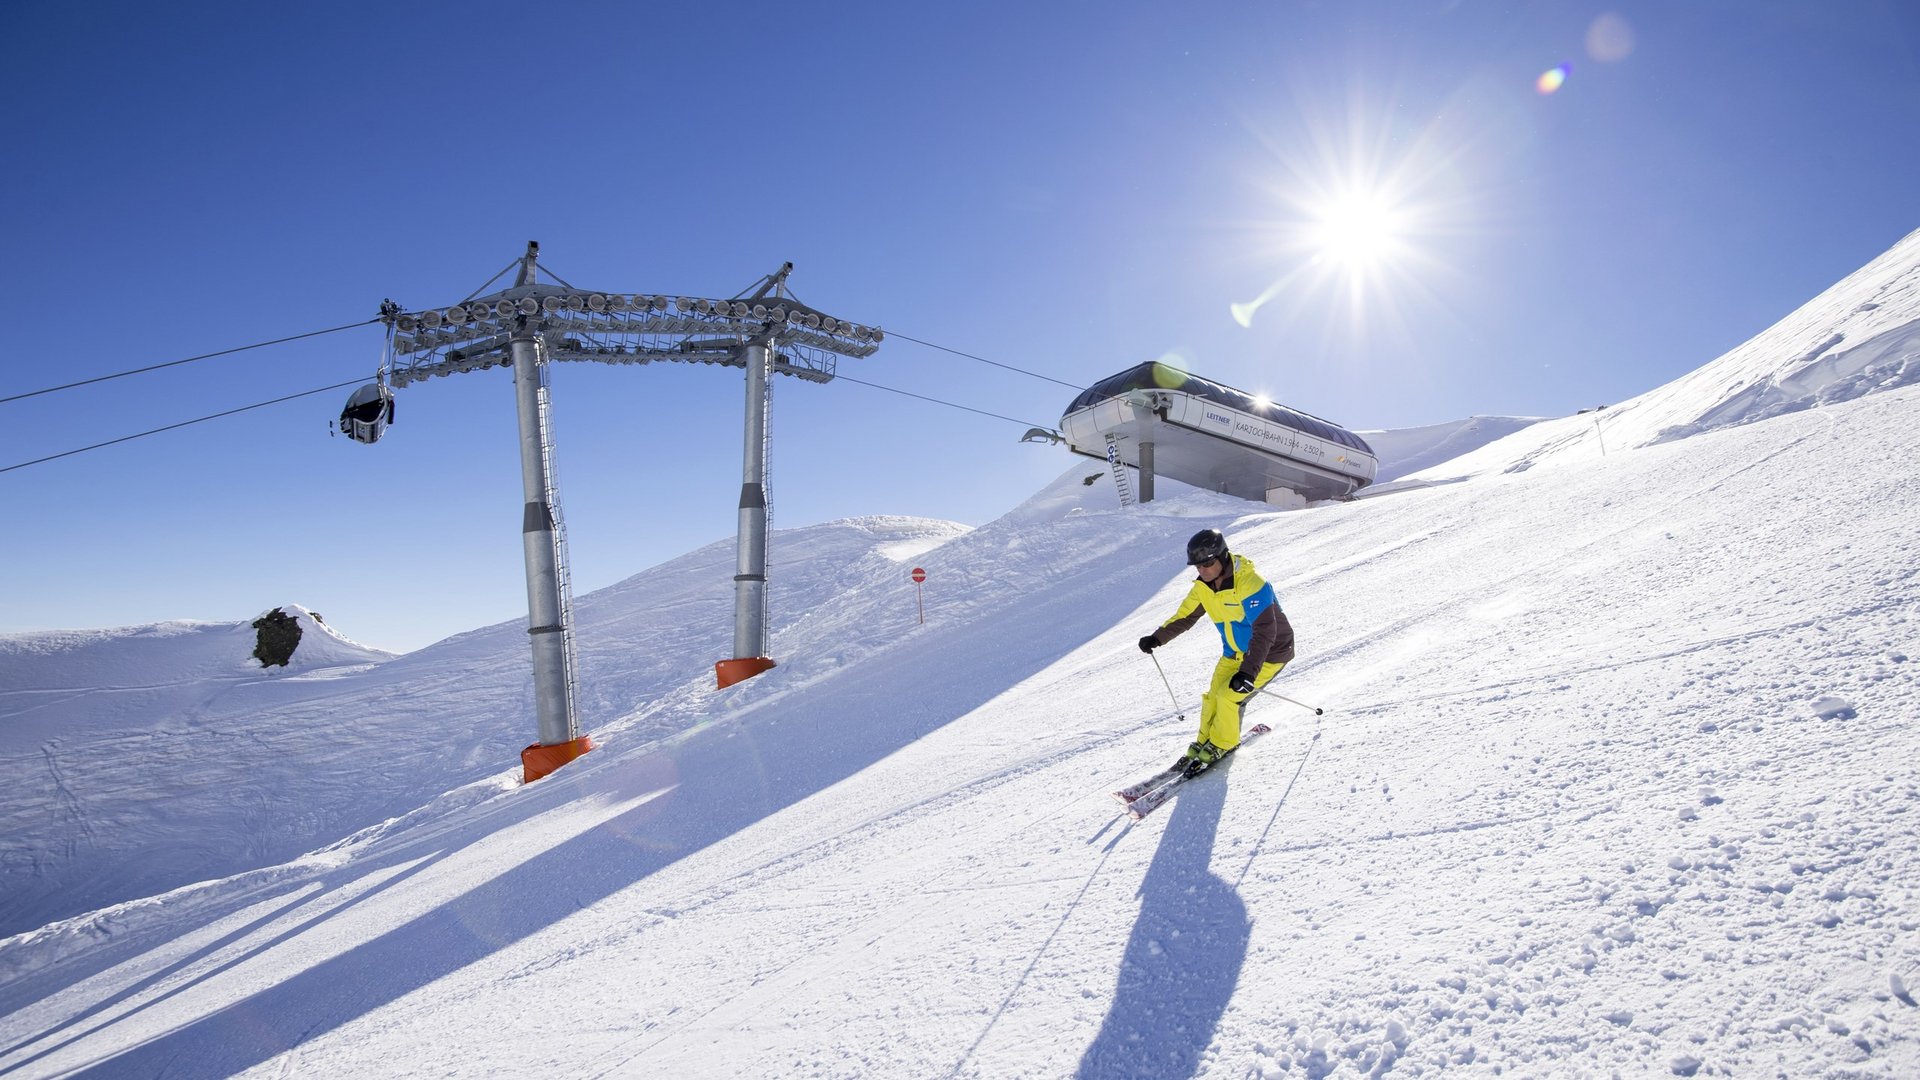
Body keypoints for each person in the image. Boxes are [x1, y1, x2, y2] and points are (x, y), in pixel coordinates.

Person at [1138, 528, 1294, 775]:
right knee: (1212, 697)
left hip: (1269, 653)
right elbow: (1185, 616)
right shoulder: (1203, 587)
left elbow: (1265, 631)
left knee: (1229, 696)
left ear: (1222, 557)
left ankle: (1224, 744)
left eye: (1208, 563)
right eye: (1198, 566)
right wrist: (1157, 638)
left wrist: (1248, 674)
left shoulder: (1251, 583)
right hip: (1234, 653)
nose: (1203, 570)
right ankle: (1204, 742)